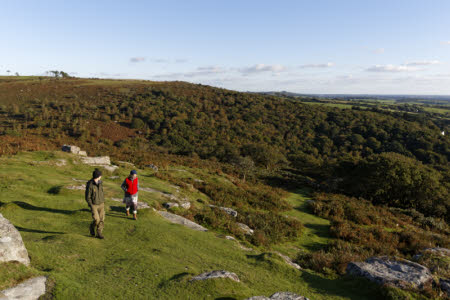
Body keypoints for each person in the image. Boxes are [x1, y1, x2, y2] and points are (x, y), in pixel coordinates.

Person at [85, 169, 105, 239]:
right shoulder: (90, 185)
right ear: (98, 176)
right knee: (97, 220)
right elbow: (87, 197)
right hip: (94, 205)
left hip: (101, 204)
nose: (101, 176)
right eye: (100, 175)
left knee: (102, 219)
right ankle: (91, 227)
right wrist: (91, 205)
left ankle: (99, 232)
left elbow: (101, 192)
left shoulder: (100, 183)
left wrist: (103, 201)